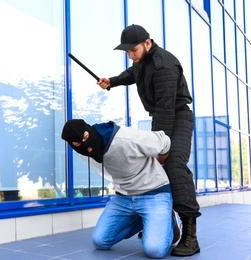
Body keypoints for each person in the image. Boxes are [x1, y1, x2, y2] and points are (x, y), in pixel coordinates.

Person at [97, 24, 201, 256]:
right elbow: (132, 74)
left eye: (133, 50)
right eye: (127, 53)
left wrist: (159, 146)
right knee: (154, 165)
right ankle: (164, 222)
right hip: (162, 117)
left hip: (178, 117)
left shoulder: (164, 66)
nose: (130, 56)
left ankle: (191, 236)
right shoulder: (141, 61)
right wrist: (111, 81)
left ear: (147, 43)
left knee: (173, 166)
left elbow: (165, 110)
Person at [61, 119, 180, 259]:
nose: (84, 145)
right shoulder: (85, 153)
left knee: (154, 251)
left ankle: (169, 220)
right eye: (77, 144)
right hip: (124, 197)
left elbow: (164, 141)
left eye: (86, 138)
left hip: (154, 192)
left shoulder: (126, 138)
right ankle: (146, 219)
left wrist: (160, 162)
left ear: (89, 130)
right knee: (100, 241)